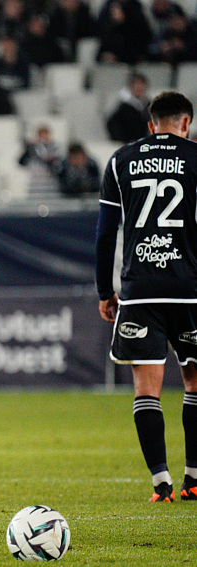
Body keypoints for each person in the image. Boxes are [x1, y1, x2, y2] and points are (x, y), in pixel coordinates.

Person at [96, 91, 197, 503]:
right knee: (194, 382)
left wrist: (105, 291)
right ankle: (194, 478)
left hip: (140, 290)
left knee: (146, 389)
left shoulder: (121, 160)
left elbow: (106, 233)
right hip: (190, 289)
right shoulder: (196, 158)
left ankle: (161, 483)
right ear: (186, 123)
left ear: (151, 125)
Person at [107, 73, 150, 144]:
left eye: (141, 85)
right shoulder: (123, 107)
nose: (139, 87)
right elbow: (112, 125)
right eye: (136, 85)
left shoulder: (149, 105)